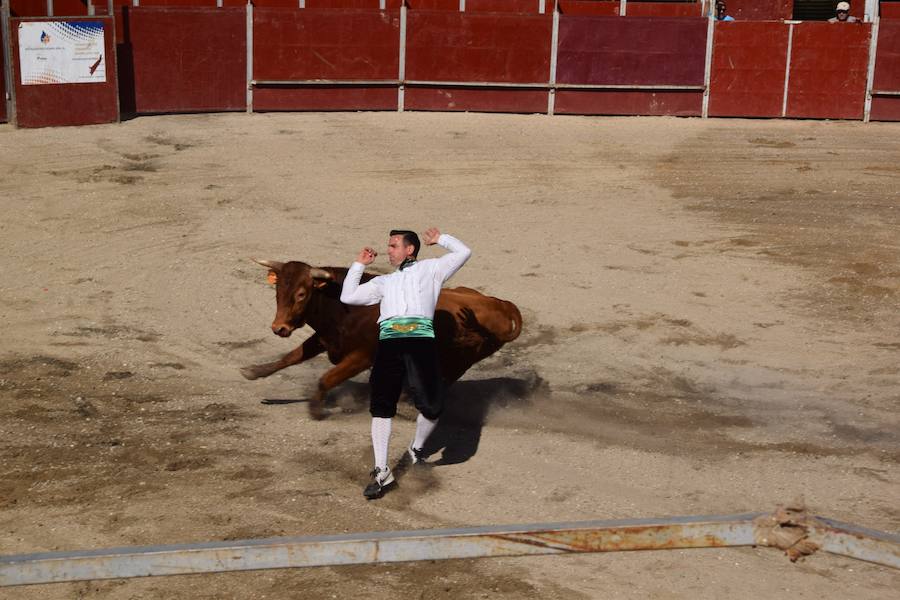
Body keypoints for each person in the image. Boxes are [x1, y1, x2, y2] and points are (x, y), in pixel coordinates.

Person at [340, 227, 471, 499]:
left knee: (433, 406)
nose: (388, 250)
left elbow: (464, 252)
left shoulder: (432, 269)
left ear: (409, 249)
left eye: (393, 246)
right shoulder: (382, 282)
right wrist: (358, 265)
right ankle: (381, 471)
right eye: (389, 246)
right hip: (388, 344)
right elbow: (348, 296)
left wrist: (440, 240)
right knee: (381, 406)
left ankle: (416, 449)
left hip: (421, 341)